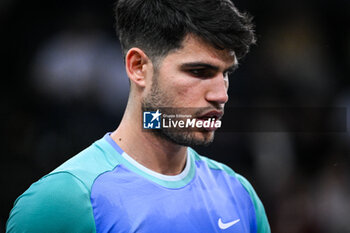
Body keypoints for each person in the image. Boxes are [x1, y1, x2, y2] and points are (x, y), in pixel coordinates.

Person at [7, 0, 270, 232]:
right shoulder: (61, 201)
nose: (220, 95)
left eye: (225, 74)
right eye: (199, 72)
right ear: (138, 68)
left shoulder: (239, 194)